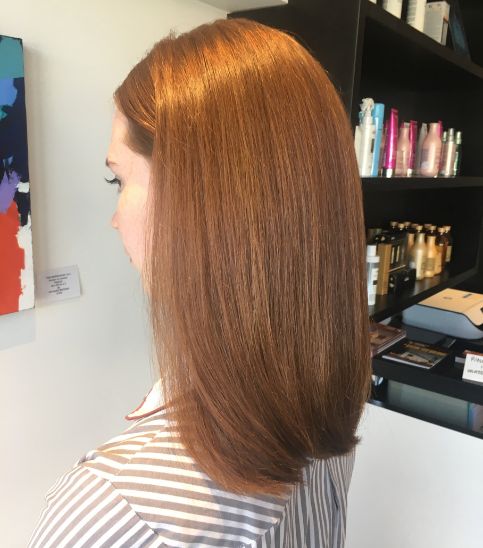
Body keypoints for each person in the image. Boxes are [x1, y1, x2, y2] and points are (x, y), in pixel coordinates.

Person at [29, 17, 371, 547]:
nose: (114, 220)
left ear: (198, 203)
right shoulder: (323, 414)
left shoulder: (117, 513)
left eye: (118, 179)